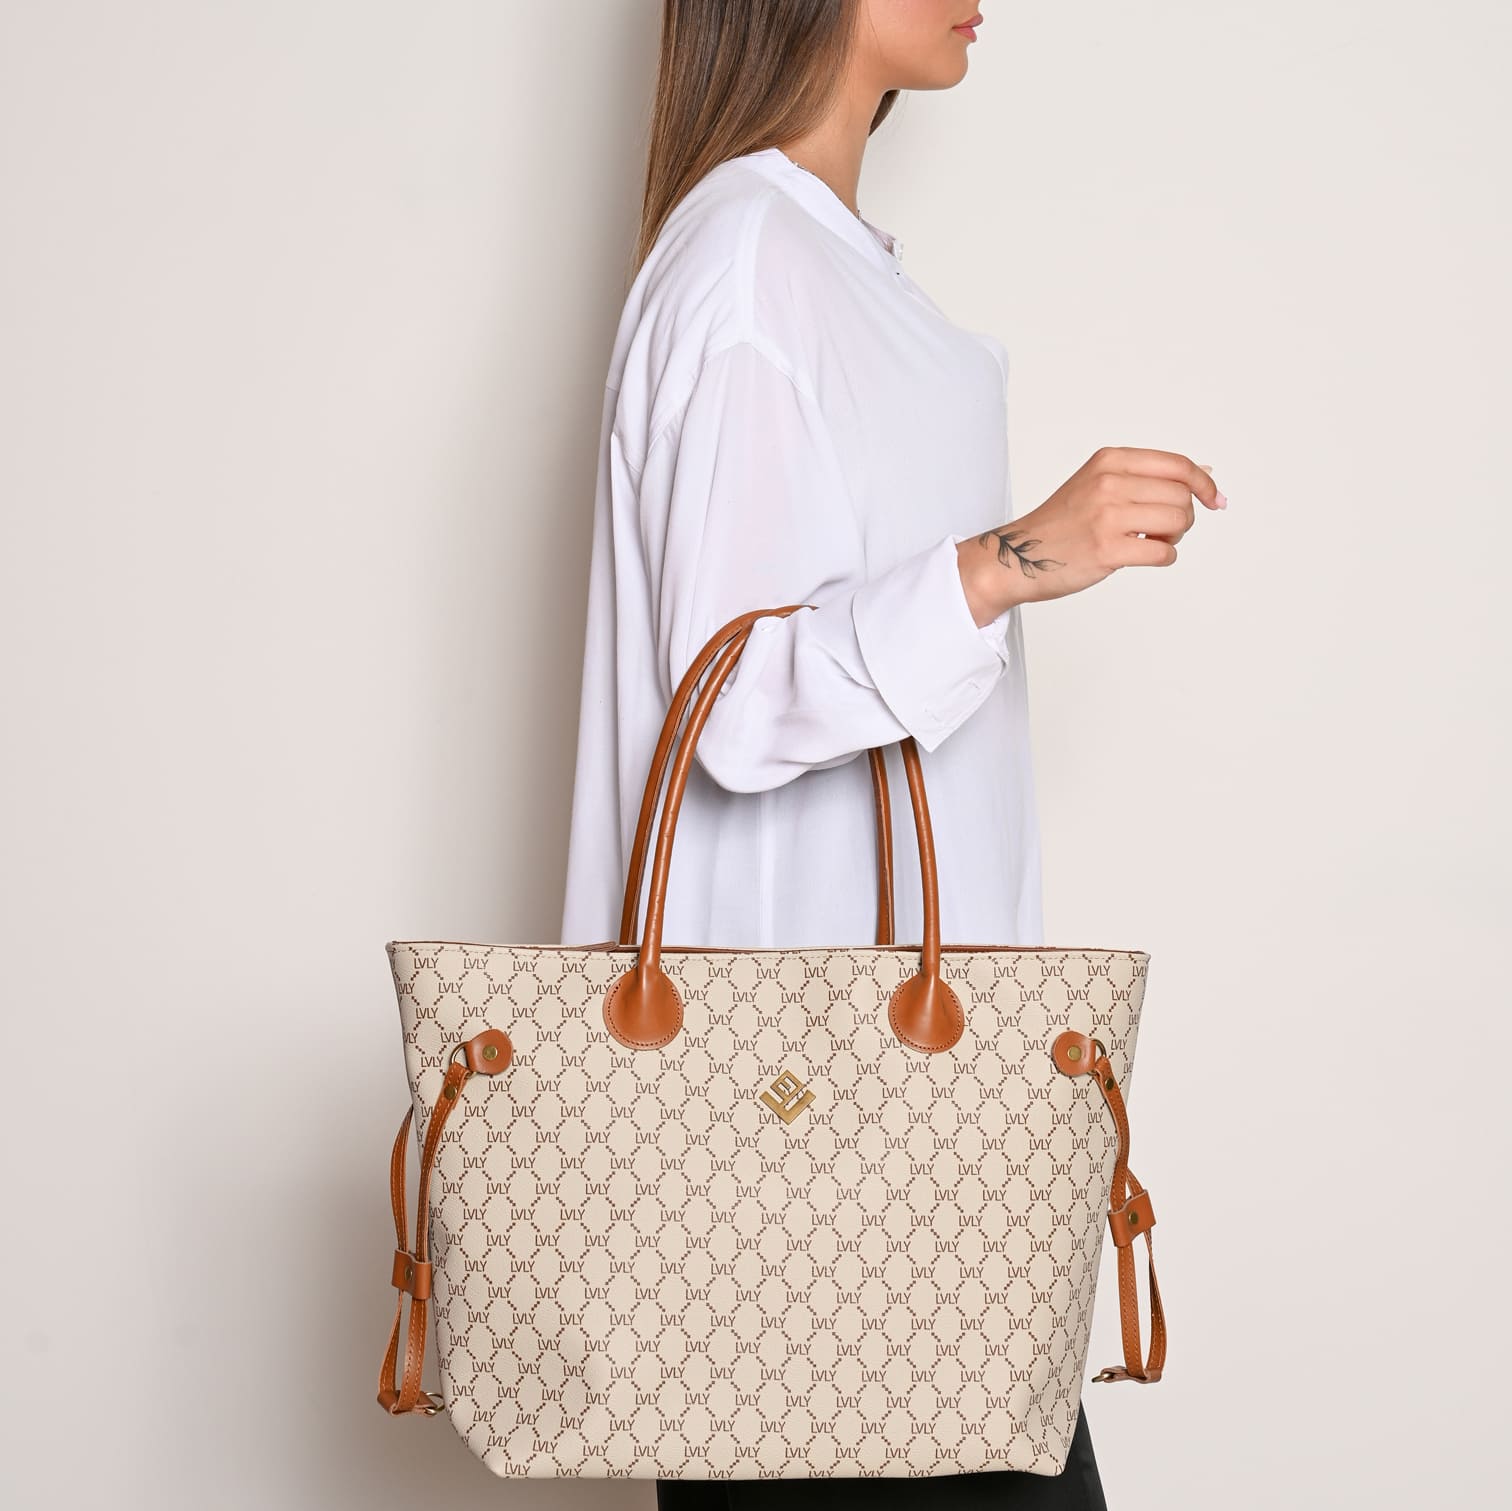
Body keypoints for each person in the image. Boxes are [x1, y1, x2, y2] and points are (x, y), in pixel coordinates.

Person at [559, 3, 1223, 1506]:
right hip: (804, 1153)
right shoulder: (749, 260)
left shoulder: (823, 261)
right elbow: (729, 703)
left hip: (891, 1135)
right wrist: (1006, 562)